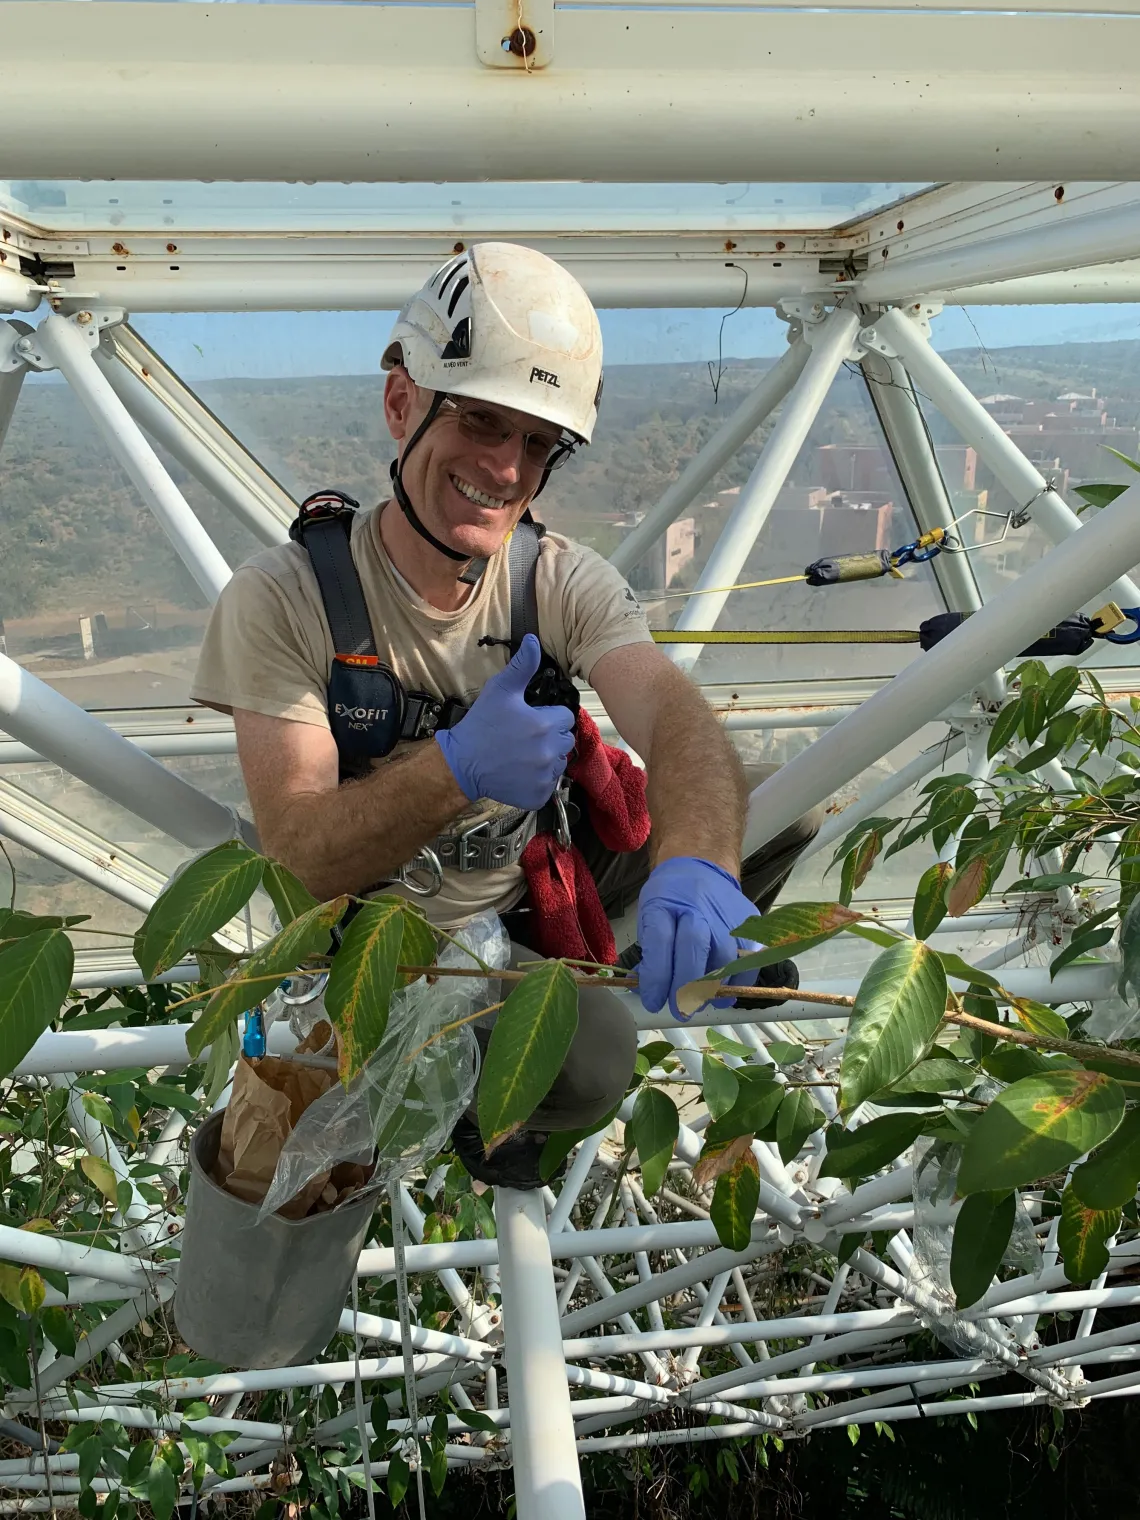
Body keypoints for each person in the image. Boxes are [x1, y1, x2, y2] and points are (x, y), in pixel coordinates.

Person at [191, 243, 822, 1187]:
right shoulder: (290, 598)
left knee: (781, 808)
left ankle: (672, 942)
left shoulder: (553, 579)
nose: (505, 466)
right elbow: (299, 854)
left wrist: (701, 859)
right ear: (403, 402)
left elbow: (671, 714)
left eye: (536, 443)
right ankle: (481, 1099)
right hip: (391, 933)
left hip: (519, 875)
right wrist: (455, 768)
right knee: (594, 1062)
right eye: (482, 421)